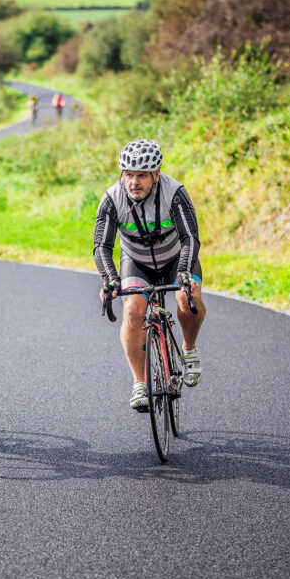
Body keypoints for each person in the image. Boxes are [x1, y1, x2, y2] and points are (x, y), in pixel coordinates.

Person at [92, 139, 206, 411]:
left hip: (176, 258)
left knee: (186, 297)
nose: (134, 182)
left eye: (142, 175)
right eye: (128, 174)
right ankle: (140, 384)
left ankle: (188, 349)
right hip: (137, 262)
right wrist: (110, 279)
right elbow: (101, 247)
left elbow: (190, 238)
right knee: (132, 310)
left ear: (156, 174)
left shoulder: (174, 192)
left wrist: (183, 272)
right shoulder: (111, 199)